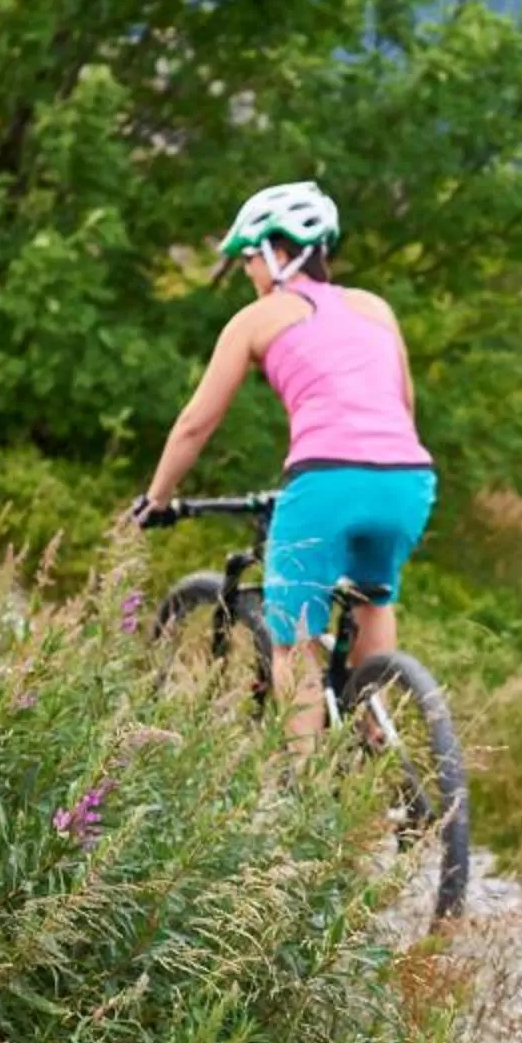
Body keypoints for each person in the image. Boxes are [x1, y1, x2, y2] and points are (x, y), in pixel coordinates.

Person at [133, 181, 436, 729]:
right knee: (373, 597)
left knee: (292, 642)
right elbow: (404, 406)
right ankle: (376, 749)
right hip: (408, 480)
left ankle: (303, 796)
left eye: (249, 256)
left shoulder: (258, 318)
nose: (248, 270)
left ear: (277, 250)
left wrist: (157, 499)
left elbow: (196, 422)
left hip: (325, 481)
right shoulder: (375, 308)